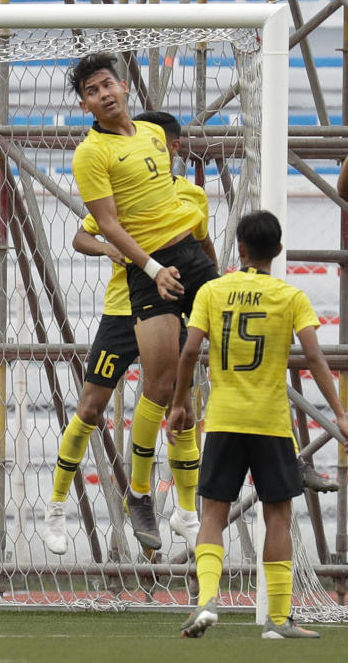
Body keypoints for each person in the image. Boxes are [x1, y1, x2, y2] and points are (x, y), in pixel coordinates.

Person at [43, 111, 215, 554]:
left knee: (177, 402)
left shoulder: (190, 197)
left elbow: (203, 242)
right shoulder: (120, 192)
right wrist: (111, 251)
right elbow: (84, 235)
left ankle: (184, 510)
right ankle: (57, 505)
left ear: (169, 148)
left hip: (172, 306)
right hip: (123, 310)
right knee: (90, 408)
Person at [171, 211, 348, 639]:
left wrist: (179, 403)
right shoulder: (291, 297)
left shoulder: (213, 291)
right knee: (280, 516)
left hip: (225, 419)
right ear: (279, 251)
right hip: (270, 422)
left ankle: (207, 600)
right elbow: (315, 359)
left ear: (241, 249)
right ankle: (279, 619)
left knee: (211, 512)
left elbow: (191, 350)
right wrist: (340, 413)